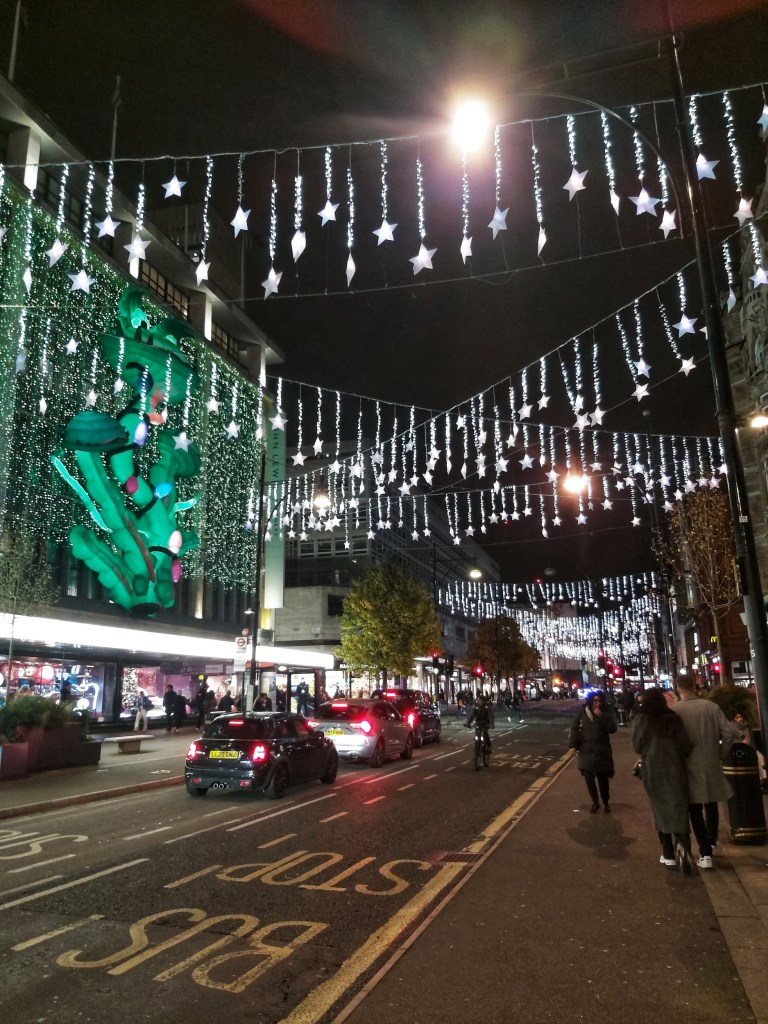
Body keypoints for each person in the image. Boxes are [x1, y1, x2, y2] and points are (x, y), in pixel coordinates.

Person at [673, 673, 736, 868]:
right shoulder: (712, 707)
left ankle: (705, 852)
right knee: (711, 803)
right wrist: (721, 753)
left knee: (695, 809)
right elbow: (728, 733)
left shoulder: (675, 710)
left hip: (688, 765)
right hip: (711, 762)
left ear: (678, 688)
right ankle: (712, 842)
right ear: (695, 686)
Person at [631, 686, 694, 872]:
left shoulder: (642, 719)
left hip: (653, 768)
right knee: (678, 806)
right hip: (676, 768)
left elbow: (637, 746)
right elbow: (686, 745)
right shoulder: (673, 718)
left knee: (659, 808)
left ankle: (668, 853)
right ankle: (683, 844)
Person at [568, 691, 617, 813]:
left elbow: (612, 729)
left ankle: (605, 802)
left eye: (599, 701)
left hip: (601, 751)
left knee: (603, 780)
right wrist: (573, 746)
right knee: (589, 780)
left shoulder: (605, 712)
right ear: (590, 701)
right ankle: (595, 802)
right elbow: (575, 729)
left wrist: (602, 716)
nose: (597, 703)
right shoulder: (582, 713)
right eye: (595, 701)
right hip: (586, 751)